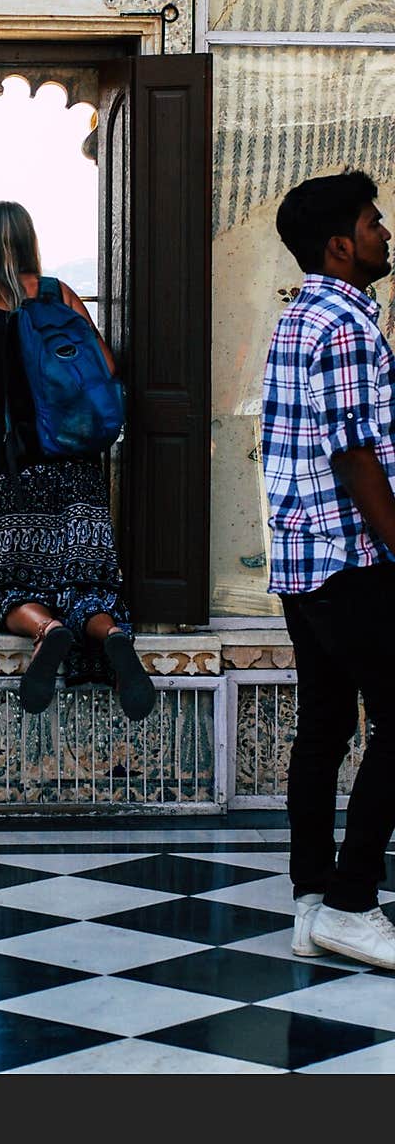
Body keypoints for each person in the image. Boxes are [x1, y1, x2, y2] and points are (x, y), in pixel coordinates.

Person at [0, 200, 155, 721]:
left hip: (13, 465)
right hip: (76, 460)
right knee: (89, 583)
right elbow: (104, 366)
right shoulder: (60, 293)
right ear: (29, 241)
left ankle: (47, 631)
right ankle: (108, 634)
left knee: (18, 588)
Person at [261, 168, 395, 970]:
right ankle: (351, 902)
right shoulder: (344, 325)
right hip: (350, 556)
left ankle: (312, 900)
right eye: (375, 222)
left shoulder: (300, 316)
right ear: (340, 245)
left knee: (324, 728)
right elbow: (354, 453)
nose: (386, 232)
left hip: (303, 556)